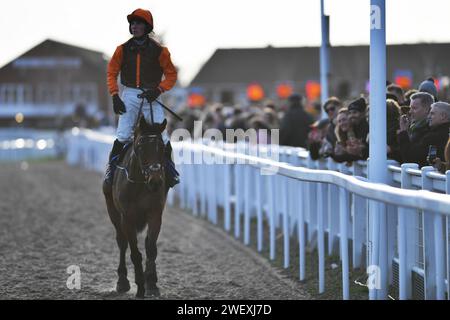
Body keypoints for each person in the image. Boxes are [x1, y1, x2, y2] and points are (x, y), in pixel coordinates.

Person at [104, 8, 179, 188]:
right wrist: (115, 95)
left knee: (163, 136)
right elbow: (111, 73)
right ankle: (111, 171)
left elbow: (171, 75)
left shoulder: (160, 51)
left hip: (151, 95)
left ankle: (171, 172)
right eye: (132, 23)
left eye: (138, 23)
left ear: (147, 27)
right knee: (123, 135)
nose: (134, 26)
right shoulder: (121, 50)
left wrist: (159, 89)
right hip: (129, 94)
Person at [398, 92, 434, 166]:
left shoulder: (429, 130)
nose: (410, 111)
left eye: (414, 108)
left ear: (427, 109)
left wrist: (403, 132)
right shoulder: (414, 127)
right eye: (410, 108)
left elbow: (410, 157)